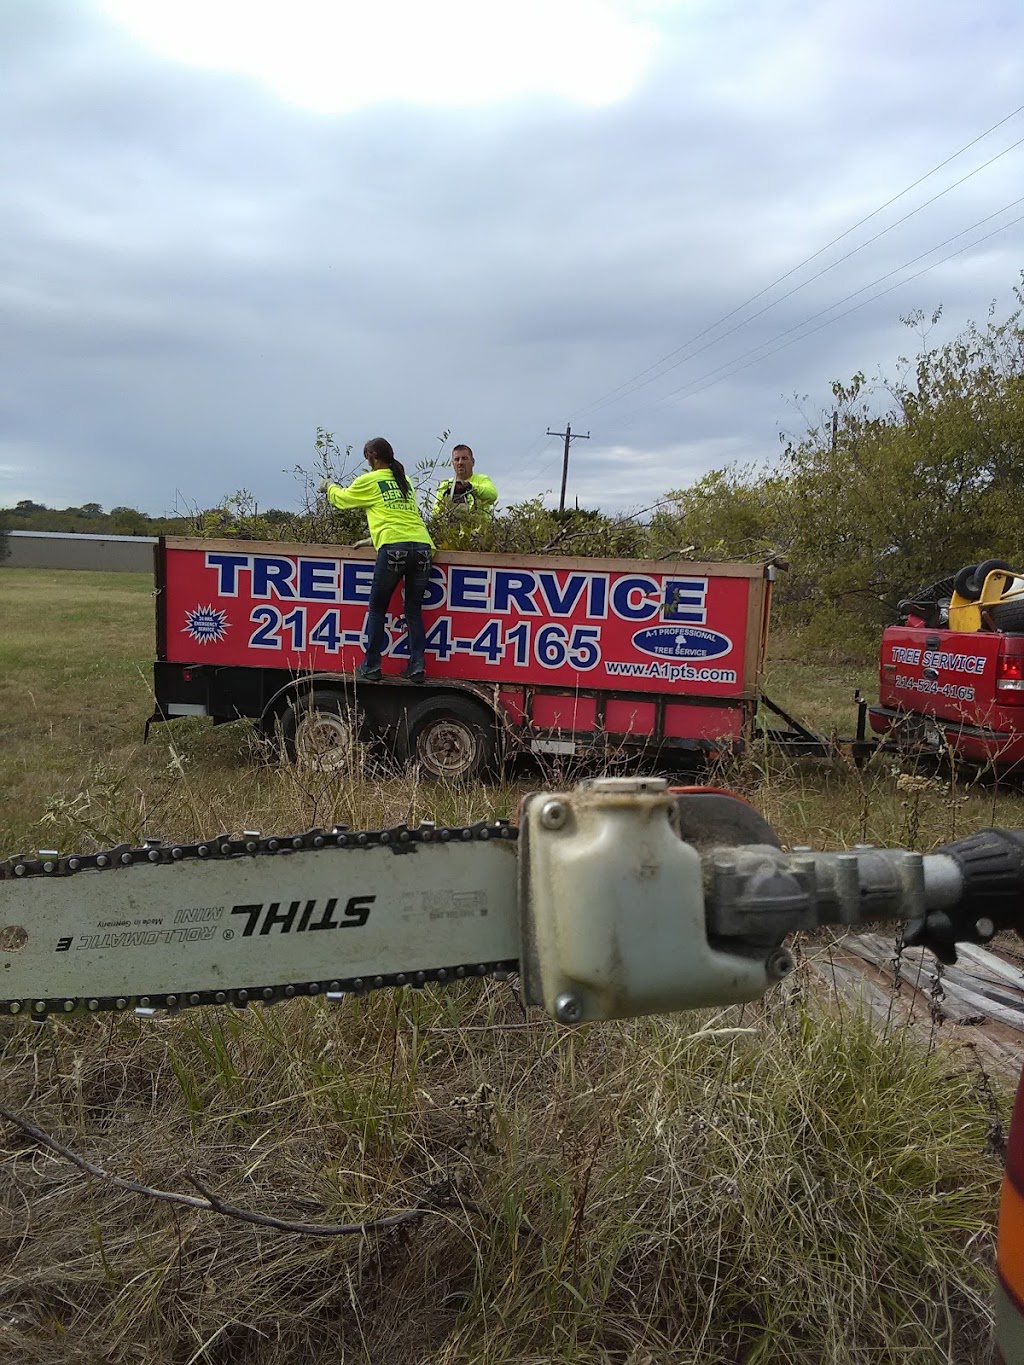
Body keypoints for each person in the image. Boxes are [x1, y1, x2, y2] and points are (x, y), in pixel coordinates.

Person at [321, 437, 434, 683]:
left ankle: (371, 666)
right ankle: (417, 667)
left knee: (377, 608)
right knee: (413, 610)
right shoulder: (406, 482)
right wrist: (373, 538)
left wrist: (329, 486)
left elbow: (342, 500)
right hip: (423, 547)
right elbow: (400, 516)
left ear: (371, 457)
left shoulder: (370, 480)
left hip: (394, 548)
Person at [432, 444, 498, 517]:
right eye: (457, 459)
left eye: (464, 458)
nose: (460, 462)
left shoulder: (482, 479)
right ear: (452, 464)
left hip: (480, 526)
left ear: (473, 462)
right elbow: (436, 513)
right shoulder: (445, 485)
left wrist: (470, 487)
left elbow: (493, 495)